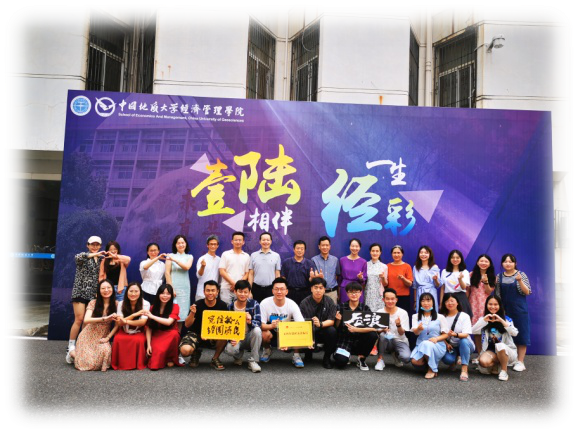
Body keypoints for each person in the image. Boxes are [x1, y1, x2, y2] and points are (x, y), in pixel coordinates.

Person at [67, 235, 106, 364]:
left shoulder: (101, 260)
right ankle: (71, 346)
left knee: (87, 321)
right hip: (80, 291)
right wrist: (96, 254)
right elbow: (78, 257)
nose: (95, 247)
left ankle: (82, 344)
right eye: (92, 244)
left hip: (93, 294)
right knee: (79, 319)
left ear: (100, 246)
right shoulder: (82, 257)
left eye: (97, 245)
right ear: (87, 245)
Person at [179, 280, 229, 370]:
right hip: (196, 333)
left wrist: (209, 334)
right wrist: (192, 313)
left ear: (217, 292)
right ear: (204, 292)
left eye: (213, 290)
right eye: (208, 290)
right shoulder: (197, 304)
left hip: (213, 334)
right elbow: (187, 325)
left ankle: (215, 358)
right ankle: (195, 352)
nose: (210, 293)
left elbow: (226, 326)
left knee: (224, 336)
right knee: (185, 351)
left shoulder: (222, 305)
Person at [495, 253, 531, 372]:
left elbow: (527, 292)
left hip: (519, 310)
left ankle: (520, 361)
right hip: (505, 310)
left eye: (510, 262)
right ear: (502, 264)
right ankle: (510, 359)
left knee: (521, 335)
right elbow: (497, 295)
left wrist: (520, 281)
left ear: (515, 263)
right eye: (505, 261)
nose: (508, 264)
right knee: (506, 335)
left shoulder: (521, 275)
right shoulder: (499, 277)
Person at [72, 279, 119, 371]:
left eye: (108, 287)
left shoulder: (116, 304)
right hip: (88, 335)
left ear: (113, 289)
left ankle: (76, 354)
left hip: (103, 336)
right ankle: (73, 354)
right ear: (99, 291)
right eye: (103, 288)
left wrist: (108, 338)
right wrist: (105, 318)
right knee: (88, 364)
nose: (106, 290)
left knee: (104, 356)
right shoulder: (93, 302)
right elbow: (86, 320)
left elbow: (117, 325)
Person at [259, 277, 306, 368]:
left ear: (286, 291)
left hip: (287, 331)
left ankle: (296, 355)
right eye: (276, 289)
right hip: (272, 329)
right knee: (263, 334)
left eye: (282, 289)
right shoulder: (264, 303)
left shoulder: (292, 304)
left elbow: (301, 324)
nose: (279, 292)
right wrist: (271, 326)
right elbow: (261, 325)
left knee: (298, 330)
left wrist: (306, 341)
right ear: (272, 291)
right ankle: (267, 350)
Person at [472, 295, 519, 381]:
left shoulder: (506, 319)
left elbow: (515, 333)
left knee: (500, 345)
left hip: (506, 351)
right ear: (486, 305)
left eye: (495, 304)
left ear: (500, 305)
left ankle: (504, 371)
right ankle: (498, 365)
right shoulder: (483, 319)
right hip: (491, 352)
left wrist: (501, 320)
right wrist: (484, 321)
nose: (493, 307)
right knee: (484, 363)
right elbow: (473, 331)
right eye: (490, 304)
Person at [333, 282, 379, 371]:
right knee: (340, 362)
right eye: (351, 292)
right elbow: (335, 328)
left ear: (361, 293)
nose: (354, 294)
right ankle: (345, 355)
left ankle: (361, 358)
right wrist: (338, 320)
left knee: (373, 335)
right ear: (347, 293)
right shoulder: (341, 307)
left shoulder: (365, 308)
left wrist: (356, 329)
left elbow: (373, 327)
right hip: (345, 340)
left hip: (360, 339)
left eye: (356, 292)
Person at [223, 280, 263, 373]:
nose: (243, 294)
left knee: (257, 330)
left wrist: (250, 321)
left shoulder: (254, 304)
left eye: (245, 292)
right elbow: (227, 327)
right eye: (240, 292)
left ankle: (253, 361)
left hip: (249, 336)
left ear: (249, 293)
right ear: (235, 291)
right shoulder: (230, 306)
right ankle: (238, 355)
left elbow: (258, 323)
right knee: (230, 350)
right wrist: (231, 338)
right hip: (237, 337)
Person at [299, 277, 338, 369]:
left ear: (324, 289)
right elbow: (301, 322)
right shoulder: (304, 302)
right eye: (315, 287)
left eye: (321, 288)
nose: (318, 290)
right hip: (309, 330)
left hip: (324, 328)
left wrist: (320, 324)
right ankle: (308, 354)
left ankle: (327, 358)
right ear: (311, 289)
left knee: (332, 331)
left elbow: (331, 321)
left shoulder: (329, 301)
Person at [111, 282, 150, 370]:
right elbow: (119, 323)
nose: (133, 294)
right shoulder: (121, 303)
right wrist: (134, 315)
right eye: (131, 291)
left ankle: (136, 363)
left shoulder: (145, 303)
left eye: (136, 291)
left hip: (139, 331)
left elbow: (142, 322)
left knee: (138, 340)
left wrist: (125, 321)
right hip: (124, 330)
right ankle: (120, 363)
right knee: (118, 339)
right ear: (127, 292)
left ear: (140, 292)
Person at [410, 292, 449, 379]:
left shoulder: (440, 317)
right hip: (421, 344)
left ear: (433, 302)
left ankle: (432, 369)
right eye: (423, 301)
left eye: (428, 300)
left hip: (437, 344)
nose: (426, 303)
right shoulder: (415, 316)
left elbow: (446, 335)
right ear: (420, 303)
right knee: (415, 361)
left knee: (426, 344)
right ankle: (431, 363)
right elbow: (416, 333)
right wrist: (418, 329)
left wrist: (436, 338)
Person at [144, 284, 182, 370]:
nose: (165, 296)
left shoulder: (175, 307)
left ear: (171, 295)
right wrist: (149, 345)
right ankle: (163, 359)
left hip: (170, 333)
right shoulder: (152, 308)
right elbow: (149, 328)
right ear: (158, 294)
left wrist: (152, 316)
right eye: (162, 293)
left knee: (174, 334)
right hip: (157, 334)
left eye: (168, 294)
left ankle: (170, 358)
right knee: (154, 363)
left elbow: (168, 322)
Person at [439, 293, 475, 381]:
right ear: (444, 304)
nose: (450, 303)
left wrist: (455, 334)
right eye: (447, 301)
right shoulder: (441, 317)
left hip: (466, 344)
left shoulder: (464, 316)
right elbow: (439, 334)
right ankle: (453, 361)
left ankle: (464, 369)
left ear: (457, 302)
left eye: (452, 301)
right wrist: (446, 343)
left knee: (463, 341)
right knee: (447, 359)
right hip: (451, 346)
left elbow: (466, 334)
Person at [374, 288, 411, 370]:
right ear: (383, 300)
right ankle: (380, 359)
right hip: (386, 340)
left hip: (400, 340)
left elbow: (402, 333)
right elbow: (377, 330)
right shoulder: (380, 312)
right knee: (382, 335)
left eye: (392, 299)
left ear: (396, 300)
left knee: (406, 358)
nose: (390, 301)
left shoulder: (403, 313)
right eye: (387, 299)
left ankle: (396, 355)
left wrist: (398, 325)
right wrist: (383, 329)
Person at [468, 254, 496, 356]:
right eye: (481, 261)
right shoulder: (471, 274)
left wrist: (486, 282)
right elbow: (468, 291)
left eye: (486, 261)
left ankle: (488, 354)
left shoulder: (492, 277)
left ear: (489, 264)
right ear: (477, 262)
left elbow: (489, 292)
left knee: (487, 330)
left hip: (486, 305)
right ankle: (480, 354)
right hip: (473, 304)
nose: (483, 263)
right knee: (476, 330)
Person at [165, 235, 194, 321]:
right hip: (173, 286)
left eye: (182, 243)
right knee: (171, 312)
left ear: (186, 244)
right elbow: (167, 273)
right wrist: (171, 288)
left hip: (185, 288)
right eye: (178, 243)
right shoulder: (170, 256)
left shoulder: (189, 256)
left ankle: (179, 330)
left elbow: (186, 267)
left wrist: (174, 260)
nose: (181, 245)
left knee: (182, 314)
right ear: (175, 245)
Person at [248, 232, 281, 303]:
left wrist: (277, 289)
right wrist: (249, 290)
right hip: (256, 288)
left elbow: (277, 274)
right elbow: (250, 274)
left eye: (268, 240)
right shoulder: (253, 255)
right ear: (260, 241)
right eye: (263, 240)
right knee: (256, 308)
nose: (265, 242)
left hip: (270, 289)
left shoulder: (276, 256)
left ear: (271, 241)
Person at [219, 232, 251, 305]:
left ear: (243, 242)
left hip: (241, 290)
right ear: (232, 241)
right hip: (226, 288)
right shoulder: (225, 254)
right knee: (226, 309)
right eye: (236, 240)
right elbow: (222, 271)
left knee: (239, 309)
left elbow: (247, 273)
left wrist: (238, 286)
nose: (238, 242)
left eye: (240, 240)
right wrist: (234, 284)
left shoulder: (246, 256)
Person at [281, 240, 315, 306]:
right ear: (294, 249)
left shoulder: (310, 263)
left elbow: (312, 280)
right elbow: (283, 278)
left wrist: (312, 279)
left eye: (302, 249)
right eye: (298, 248)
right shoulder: (286, 262)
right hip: (290, 292)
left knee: (304, 311)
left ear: (304, 250)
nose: (299, 250)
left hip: (305, 293)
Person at [439, 250, 472, 317]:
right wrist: (441, 302)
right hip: (448, 297)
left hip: (461, 298)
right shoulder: (444, 271)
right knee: (447, 318)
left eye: (457, 257)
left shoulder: (465, 272)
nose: (455, 259)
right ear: (450, 259)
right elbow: (442, 288)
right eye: (453, 257)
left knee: (462, 319)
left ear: (461, 259)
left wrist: (460, 279)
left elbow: (464, 287)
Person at [311, 236, 341, 304]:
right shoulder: (314, 260)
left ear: (330, 246)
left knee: (332, 310)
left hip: (332, 292)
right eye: (323, 245)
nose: (325, 247)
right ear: (319, 246)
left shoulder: (335, 260)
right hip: (319, 293)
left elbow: (337, 276)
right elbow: (313, 277)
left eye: (327, 245)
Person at [412, 245, 441, 312]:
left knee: (432, 312)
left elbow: (438, 285)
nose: (423, 254)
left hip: (431, 292)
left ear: (430, 254)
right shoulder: (416, 267)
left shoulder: (434, 267)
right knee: (421, 312)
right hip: (420, 293)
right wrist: (415, 301)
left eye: (426, 253)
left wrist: (435, 279)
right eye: (421, 252)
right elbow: (415, 285)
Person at [386, 245, 413, 315]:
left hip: (403, 296)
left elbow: (410, 283)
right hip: (390, 297)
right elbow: (385, 283)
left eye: (398, 253)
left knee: (403, 316)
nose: (396, 255)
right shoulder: (387, 266)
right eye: (394, 253)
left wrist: (403, 279)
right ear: (391, 254)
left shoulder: (407, 266)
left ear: (402, 254)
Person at [339, 239, 367, 303]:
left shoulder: (363, 262)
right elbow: (339, 278)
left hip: (357, 289)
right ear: (349, 247)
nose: (354, 248)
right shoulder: (342, 260)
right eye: (352, 246)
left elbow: (364, 279)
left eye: (357, 246)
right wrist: (338, 291)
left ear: (360, 248)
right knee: (344, 307)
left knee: (357, 308)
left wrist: (361, 278)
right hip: (345, 288)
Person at [195, 235, 221, 302]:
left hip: (214, 294)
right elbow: (199, 275)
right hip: (201, 293)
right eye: (211, 244)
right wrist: (202, 266)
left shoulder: (219, 260)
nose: (213, 246)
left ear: (217, 246)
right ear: (207, 245)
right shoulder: (202, 258)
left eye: (215, 244)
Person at [365, 243, 388, 312]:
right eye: (373, 251)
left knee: (379, 313)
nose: (375, 253)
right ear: (370, 252)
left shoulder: (384, 266)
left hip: (379, 294)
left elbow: (385, 284)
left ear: (380, 252)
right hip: (368, 293)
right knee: (368, 313)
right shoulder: (365, 265)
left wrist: (383, 278)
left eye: (377, 251)